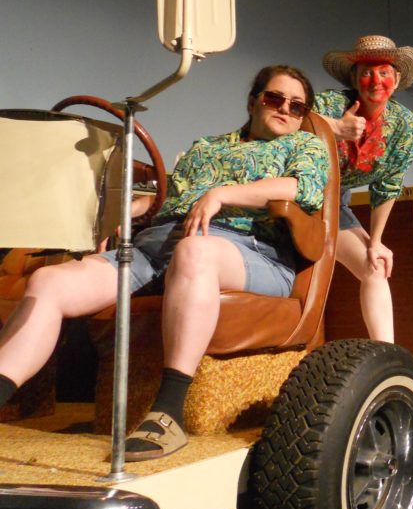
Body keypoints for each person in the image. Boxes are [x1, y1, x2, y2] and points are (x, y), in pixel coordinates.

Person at [0, 65, 329, 460]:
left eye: (297, 106)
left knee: (195, 252)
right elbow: (172, 197)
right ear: (254, 101)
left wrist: (223, 194)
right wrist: (128, 211)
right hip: (156, 249)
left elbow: (301, 188)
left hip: (251, 251)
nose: (286, 109)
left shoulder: (305, 146)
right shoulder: (206, 148)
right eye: (275, 98)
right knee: (49, 282)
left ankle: (168, 414)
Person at [314, 35, 413, 344]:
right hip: (293, 195)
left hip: (333, 204)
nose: (375, 80)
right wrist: (335, 127)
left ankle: (386, 353)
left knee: (375, 265)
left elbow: (388, 185)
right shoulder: (332, 104)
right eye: (366, 72)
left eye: (384, 72)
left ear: (396, 79)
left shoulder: (403, 124)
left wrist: (375, 242)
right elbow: (292, 119)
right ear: (354, 79)